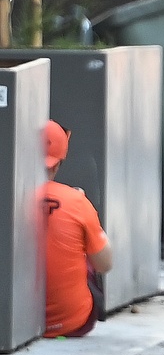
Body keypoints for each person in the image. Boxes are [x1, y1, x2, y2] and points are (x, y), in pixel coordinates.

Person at [42, 120, 112, 338]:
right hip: (71, 322)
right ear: (57, 164)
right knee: (84, 249)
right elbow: (104, 264)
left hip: (10, 323)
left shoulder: (9, 200)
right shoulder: (75, 201)